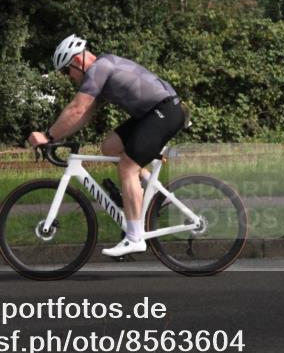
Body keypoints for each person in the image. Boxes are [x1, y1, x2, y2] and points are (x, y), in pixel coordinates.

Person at [28, 34, 186, 257]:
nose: (68, 77)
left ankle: (134, 238)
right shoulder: (103, 69)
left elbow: (77, 109)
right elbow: (83, 116)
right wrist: (56, 138)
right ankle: (150, 192)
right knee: (110, 147)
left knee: (127, 168)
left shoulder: (99, 69)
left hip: (163, 112)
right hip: (155, 113)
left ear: (76, 61)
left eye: (66, 71)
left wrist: (47, 135)